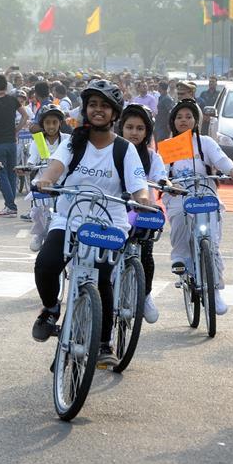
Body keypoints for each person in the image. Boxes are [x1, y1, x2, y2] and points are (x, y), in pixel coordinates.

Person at [30, 80, 150, 366]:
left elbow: (138, 187)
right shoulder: (74, 142)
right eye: (93, 105)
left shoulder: (124, 149)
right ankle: (50, 309)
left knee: (102, 277)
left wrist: (144, 200)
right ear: (86, 109)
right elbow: (55, 167)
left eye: (104, 106)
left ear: (114, 113)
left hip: (108, 226)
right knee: (45, 265)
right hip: (69, 220)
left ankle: (105, 342)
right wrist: (45, 180)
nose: (98, 110)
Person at [164, 98, 233, 316]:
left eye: (189, 116)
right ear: (173, 121)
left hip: (205, 194)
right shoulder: (169, 145)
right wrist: (168, 184)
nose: (184, 120)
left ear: (196, 120)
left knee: (213, 243)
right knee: (179, 216)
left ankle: (215, 290)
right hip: (179, 194)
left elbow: (221, 159)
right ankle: (181, 257)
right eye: (179, 117)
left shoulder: (205, 142)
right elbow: (161, 173)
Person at [117, 104, 166, 324]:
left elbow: (161, 177)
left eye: (139, 128)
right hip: (116, 212)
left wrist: (165, 183)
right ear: (121, 128)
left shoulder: (153, 157)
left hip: (143, 213)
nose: (134, 132)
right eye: (129, 127)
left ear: (147, 132)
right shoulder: (113, 151)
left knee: (146, 254)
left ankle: (145, 296)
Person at [19, 103, 69, 252]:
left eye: (55, 122)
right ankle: (39, 235)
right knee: (38, 210)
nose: (51, 126)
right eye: (47, 123)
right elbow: (32, 160)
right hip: (42, 184)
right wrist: (26, 168)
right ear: (43, 125)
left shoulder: (67, 140)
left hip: (62, 183)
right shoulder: (38, 141)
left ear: (60, 123)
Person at [0, 74, 30, 218]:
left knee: (1, 174)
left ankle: (11, 206)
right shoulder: (13, 100)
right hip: (12, 141)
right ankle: (10, 205)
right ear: (6, 86)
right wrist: (16, 130)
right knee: (11, 173)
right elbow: (25, 116)